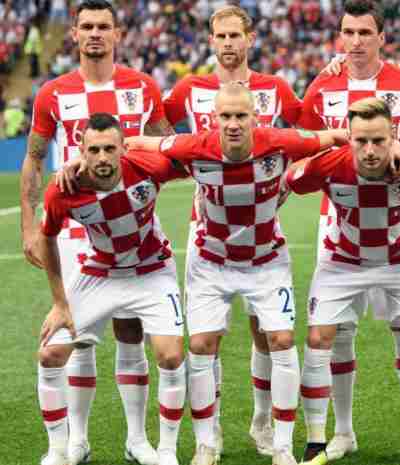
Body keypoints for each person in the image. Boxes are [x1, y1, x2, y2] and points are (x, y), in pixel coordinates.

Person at [119, 83, 348, 465]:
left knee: (281, 339)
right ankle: (206, 443)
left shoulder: (280, 142)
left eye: (241, 115)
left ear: (255, 118)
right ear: (214, 119)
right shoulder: (193, 146)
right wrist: (85, 161)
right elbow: (139, 144)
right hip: (211, 262)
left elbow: (332, 138)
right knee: (201, 345)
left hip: (265, 260)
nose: (233, 123)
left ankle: (282, 447)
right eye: (225, 116)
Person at [20, 1, 174, 464]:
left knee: (131, 330)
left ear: (118, 34)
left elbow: (168, 143)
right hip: (75, 227)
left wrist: (136, 160)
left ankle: (137, 440)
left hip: (133, 223)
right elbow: (34, 157)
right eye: (86, 26)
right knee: (76, 334)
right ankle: (76, 442)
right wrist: (29, 225)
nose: (94, 33)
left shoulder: (142, 86)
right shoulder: (52, 93)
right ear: (73, 34)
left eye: (103, 26)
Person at [287, 97, 400, 465]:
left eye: (379, 141)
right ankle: (316, 444)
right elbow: (292, 175)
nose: (370, 151)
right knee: (319, 338)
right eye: (361, 141)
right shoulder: (329, 165)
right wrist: (326, 143)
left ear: (393, 137)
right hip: (343, 261)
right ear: (349, 138)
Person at [297, 0, 400, 458]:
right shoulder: (322, 85)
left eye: (364, 32)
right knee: (336, 332)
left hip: (396, 218)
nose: (355, 41)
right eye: (348, 32)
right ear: (340, 36)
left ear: (381, 37)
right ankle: (342, 432)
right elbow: (305, 144)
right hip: (337, 219)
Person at [162, 5, 303, 456]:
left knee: (267, 332)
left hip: (261, 225)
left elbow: (304, 135)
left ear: (249, 38)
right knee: (207, 337)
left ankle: (263, 422)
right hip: (207, 229)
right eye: (220, 36)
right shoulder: (190, 89)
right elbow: (161, 131)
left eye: (234, 36)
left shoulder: (275, 89)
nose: (227, 43)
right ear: (211, 41)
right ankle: (212, 431)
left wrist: (284, 185)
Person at [38, 113, 187, 465]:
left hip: (152, 269)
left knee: (170, 356)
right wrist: (59, 303)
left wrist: (150, 144)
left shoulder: (149, 166)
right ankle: (61, 450)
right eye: (94, 150)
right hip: (100, 271)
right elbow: (47, 239)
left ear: (123, 148)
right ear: (81, 152)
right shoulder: (64, 189)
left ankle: (162, 450)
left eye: (109, 148)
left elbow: (190, 160)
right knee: (49, 355)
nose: (102, 157)